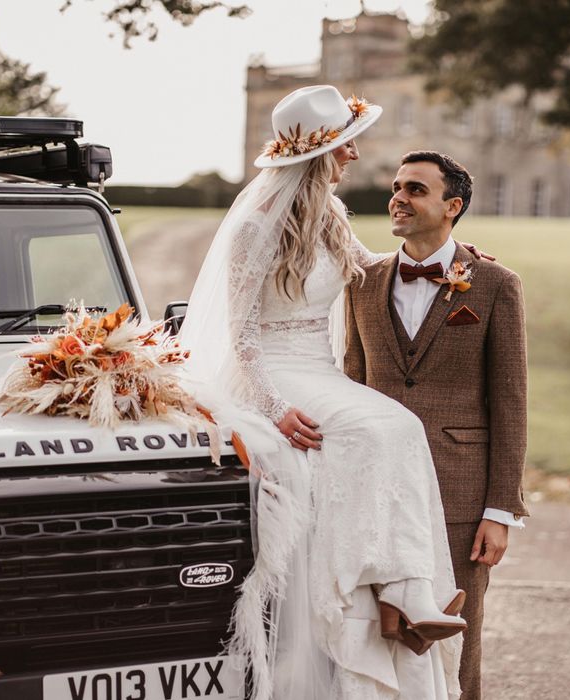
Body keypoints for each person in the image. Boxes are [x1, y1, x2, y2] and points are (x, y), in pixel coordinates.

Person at [180, 86, 465, 700]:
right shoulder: (257, 226)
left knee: (398, 427)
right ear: (318, 155)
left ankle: (406, 597)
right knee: (381, 427)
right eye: (343, 145)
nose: (355, 155)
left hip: (320, 368)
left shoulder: (331, 215)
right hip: (274, 373)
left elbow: (375, 268)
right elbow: (243, 335)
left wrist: (450, 263)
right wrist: (276, 409)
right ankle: (389, 599)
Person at [344, 151, 529, 699]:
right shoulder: (362, 281)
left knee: (455, 643)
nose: (398, 197)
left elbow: (511, 403)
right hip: (374, 490)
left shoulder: (496, 284)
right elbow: (351, 383)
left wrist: (500, 511)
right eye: (397, 186)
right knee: (374, 636)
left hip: (460, 494)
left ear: (452, 206)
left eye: (416, 189)